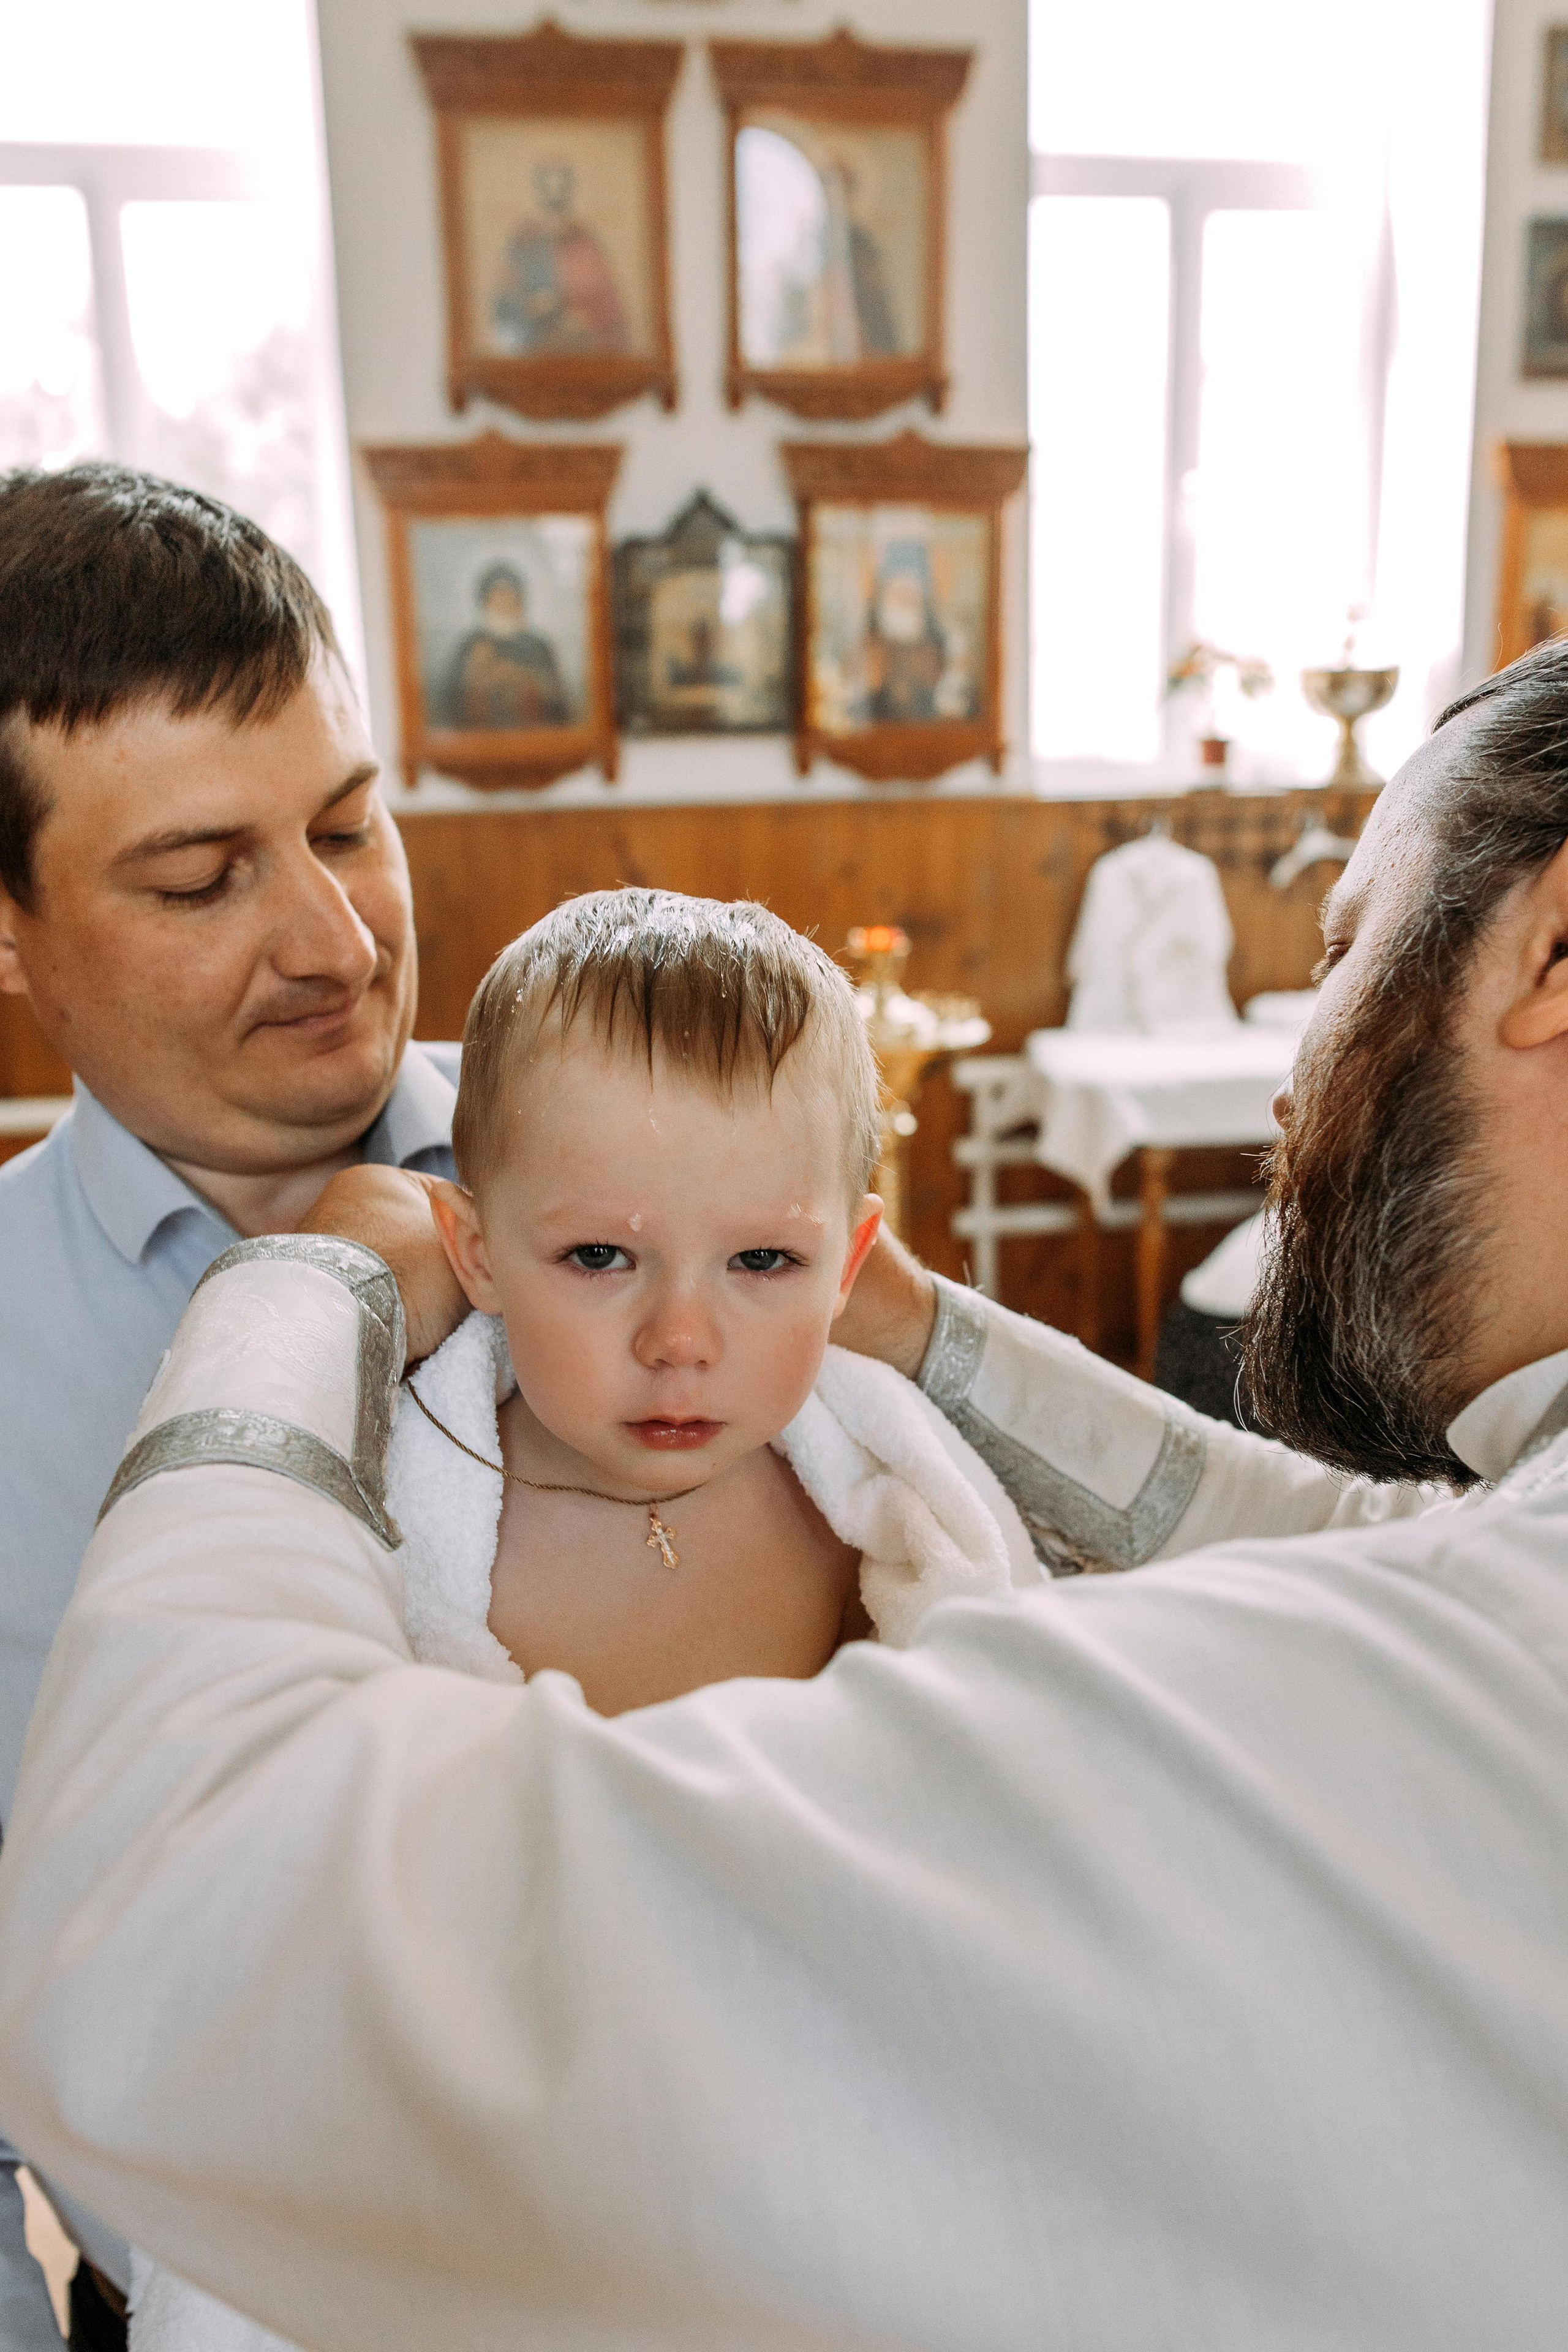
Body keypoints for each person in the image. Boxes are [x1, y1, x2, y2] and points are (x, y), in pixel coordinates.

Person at [12, 645, 1568, 2343]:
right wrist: (893, 1318)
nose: (1291, 1071)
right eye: (599, 1256)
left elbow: (179, 1933)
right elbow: (1365, 1545)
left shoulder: (933, 1532)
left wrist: (304, 1292)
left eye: (1339, 953)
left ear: (1552, 952)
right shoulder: (1491, 1610)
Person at [132, 886, 1039, 2352]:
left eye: (761, 1262)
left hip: (823, 2180)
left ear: (851, 1259)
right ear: (475, 1250)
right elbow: (310, 1921)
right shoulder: (388, 1527)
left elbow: (1000, 1841)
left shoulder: (891, 1516)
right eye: (599, 1257)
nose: (681, 1335)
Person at [0, 462, 460, 2347]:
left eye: (349, 829)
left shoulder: (670, 1189)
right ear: (12, 938)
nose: (339, 945)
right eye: (203, 877)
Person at [437, 562, 572, 732]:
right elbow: (449, 703)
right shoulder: (468, 645)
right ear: (485, 601)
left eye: (510, 595)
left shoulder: (539, 646)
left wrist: (523, 679)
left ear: (520, 600)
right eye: (498, 596)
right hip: (480, 743)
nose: (504, 602)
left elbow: (559, 704)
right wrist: (477, 676)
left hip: (531, 740)